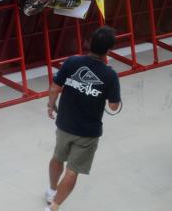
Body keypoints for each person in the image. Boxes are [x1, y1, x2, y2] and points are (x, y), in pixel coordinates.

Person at [45, 26, 121, 211]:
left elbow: (55, 87)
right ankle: (54, 206)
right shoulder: (109, 75)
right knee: (73, 170)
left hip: (64, 124)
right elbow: (113, 106)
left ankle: (51, 190)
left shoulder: (72, 62)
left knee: (57, 157)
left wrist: (51, 105)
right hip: (87, 133)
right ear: (108, 50)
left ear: (89, 43)